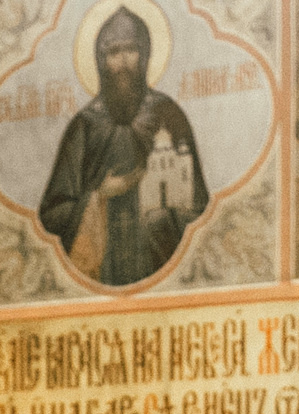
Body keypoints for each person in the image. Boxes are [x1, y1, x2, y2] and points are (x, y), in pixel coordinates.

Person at [38, 5, 208, 286]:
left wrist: (161, 214)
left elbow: (198, 205)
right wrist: (97, 196)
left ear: (145, 55)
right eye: (113, 52)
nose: (123, 62)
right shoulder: (83, 126)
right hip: (101, 274)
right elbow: (52, 214)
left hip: (162, 267)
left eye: (131, 50)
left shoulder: (169, 115)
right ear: (100, 60)